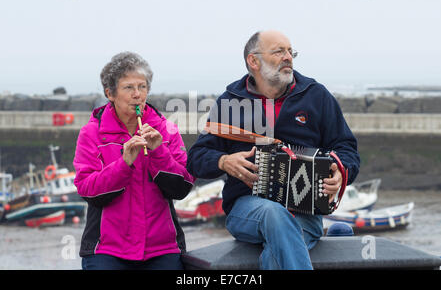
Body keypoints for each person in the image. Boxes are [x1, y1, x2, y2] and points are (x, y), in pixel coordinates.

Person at [186, 30, 360, 270]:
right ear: (253, 61)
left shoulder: (316, 96)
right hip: (246, 209)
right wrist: (224, 161)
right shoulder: (230, 101)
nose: (288, 56)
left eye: (290, 51)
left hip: (305, 213)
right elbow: (196, 158)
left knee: (275, 255)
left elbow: (347, 148)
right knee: (274, 213)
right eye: (279, 51)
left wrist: (340, 171)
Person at [73, 52, 194, 270]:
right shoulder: (91, 133)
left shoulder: (167, 130)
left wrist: (159, 152)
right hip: (107, 248)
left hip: (162, 247)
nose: (137, 94)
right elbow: (87, 190)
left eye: (143, 87)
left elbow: (183, 187)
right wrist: (123, 164)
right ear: (110, 93)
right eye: (129, 88)